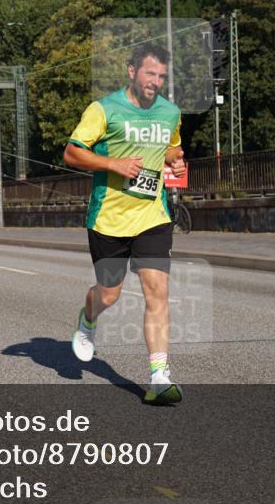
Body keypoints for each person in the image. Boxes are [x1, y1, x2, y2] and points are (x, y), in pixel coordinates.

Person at [62, 44, 187, 405]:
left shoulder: (169, 112)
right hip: (109, 219)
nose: (156, 82)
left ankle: (159, 377)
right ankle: (88, 320)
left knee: (157, 292)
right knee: (109, 293)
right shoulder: (103, 109)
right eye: (150, 74)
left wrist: (176, 162)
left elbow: (171, 148)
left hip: (152, 216)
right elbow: (71, 152)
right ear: (131, 71)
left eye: (161, 76)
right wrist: (113, 164)